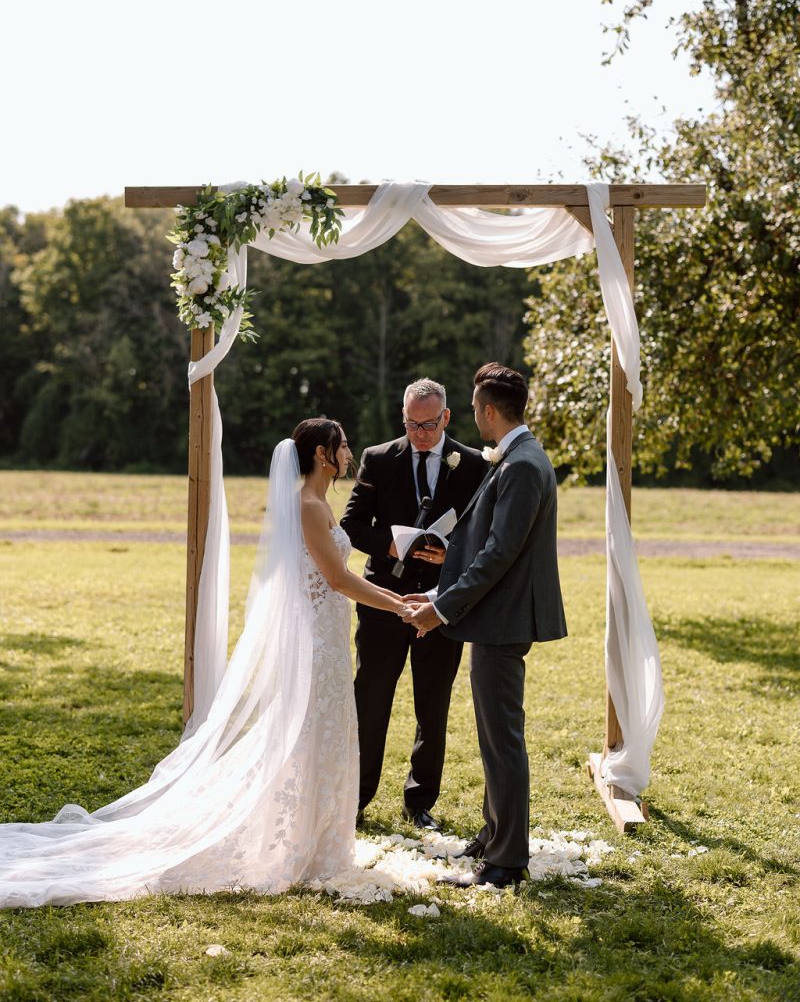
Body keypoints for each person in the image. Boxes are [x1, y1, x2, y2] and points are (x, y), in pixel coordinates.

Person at [0, 418, 407, 908]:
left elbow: (341, 577)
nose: (349, 453)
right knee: (310, 734)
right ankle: (299, 846)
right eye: (342, 446)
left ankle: (321, 844)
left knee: (327, 732)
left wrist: (403, 598)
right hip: (317, 645)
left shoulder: (321, 505)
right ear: (324, 453)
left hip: (329, 637)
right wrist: (402, 606)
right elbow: (339, 581)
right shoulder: (307, 506)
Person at [405, 364, 567, 889]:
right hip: (496, 618)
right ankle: (494, 835)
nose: (475, 417)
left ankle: (505, 862)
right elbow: (485, 546)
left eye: (475, 408)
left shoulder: (521, 465)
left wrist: (442, 609)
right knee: (496, 737)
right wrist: (436, 592)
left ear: (489, 411)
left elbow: (499, 555)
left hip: (502, 622)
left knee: (502, 740)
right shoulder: (520, 456)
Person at [341, 379, 486, 828]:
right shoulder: (378, 458)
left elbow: (483, 534)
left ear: (445, 418)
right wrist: (391, 545)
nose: (419, 433)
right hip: (384, 598)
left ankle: (420, 801)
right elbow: (351, 525)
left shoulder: (476, 464)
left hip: (443, 602)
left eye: (427, 424)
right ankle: (357, 798)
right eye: (411, 423)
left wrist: (451, 554)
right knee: (371, 697)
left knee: (432, 702)